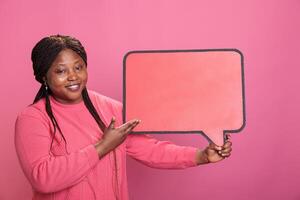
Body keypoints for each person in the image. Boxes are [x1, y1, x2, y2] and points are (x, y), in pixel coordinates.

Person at [15, 35, 232, 200]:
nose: (73, 76)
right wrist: (103, 146)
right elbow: (43, 178)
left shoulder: (110, 108)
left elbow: (150, 149)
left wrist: (201, 156)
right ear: (44, 76)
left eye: (79, 67)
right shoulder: (33, 119)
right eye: (61, 71)